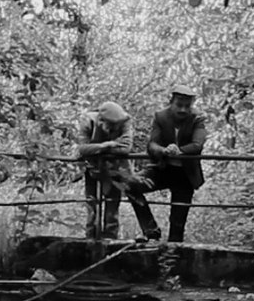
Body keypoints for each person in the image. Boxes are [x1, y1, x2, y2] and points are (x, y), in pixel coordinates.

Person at [130, 85, 207, 243]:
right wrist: (164, 151)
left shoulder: (197, 118)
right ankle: (150, 230)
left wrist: (179, 151)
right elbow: (152, 145)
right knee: (131, 186)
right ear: (171, 102)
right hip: (162, 169)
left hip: (185, 175)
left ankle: (172, 257)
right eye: (179, 105)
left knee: (178, 223)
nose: (183, 110)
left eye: (187, 106)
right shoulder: (161, 116)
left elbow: (197, 144)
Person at [74, 101, 142, 240]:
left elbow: (125, 148)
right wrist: (107, 145)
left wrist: (95, 149)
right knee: (92, 205)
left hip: (115, 169)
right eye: (111, 125)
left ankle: (110, 239)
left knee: (112, 206)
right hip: (92, 167)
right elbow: (81, 149)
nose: (115, 128)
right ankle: (90, 239)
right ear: (101, 120)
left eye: (116, 125)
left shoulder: (125, 120)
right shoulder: (88, 121)